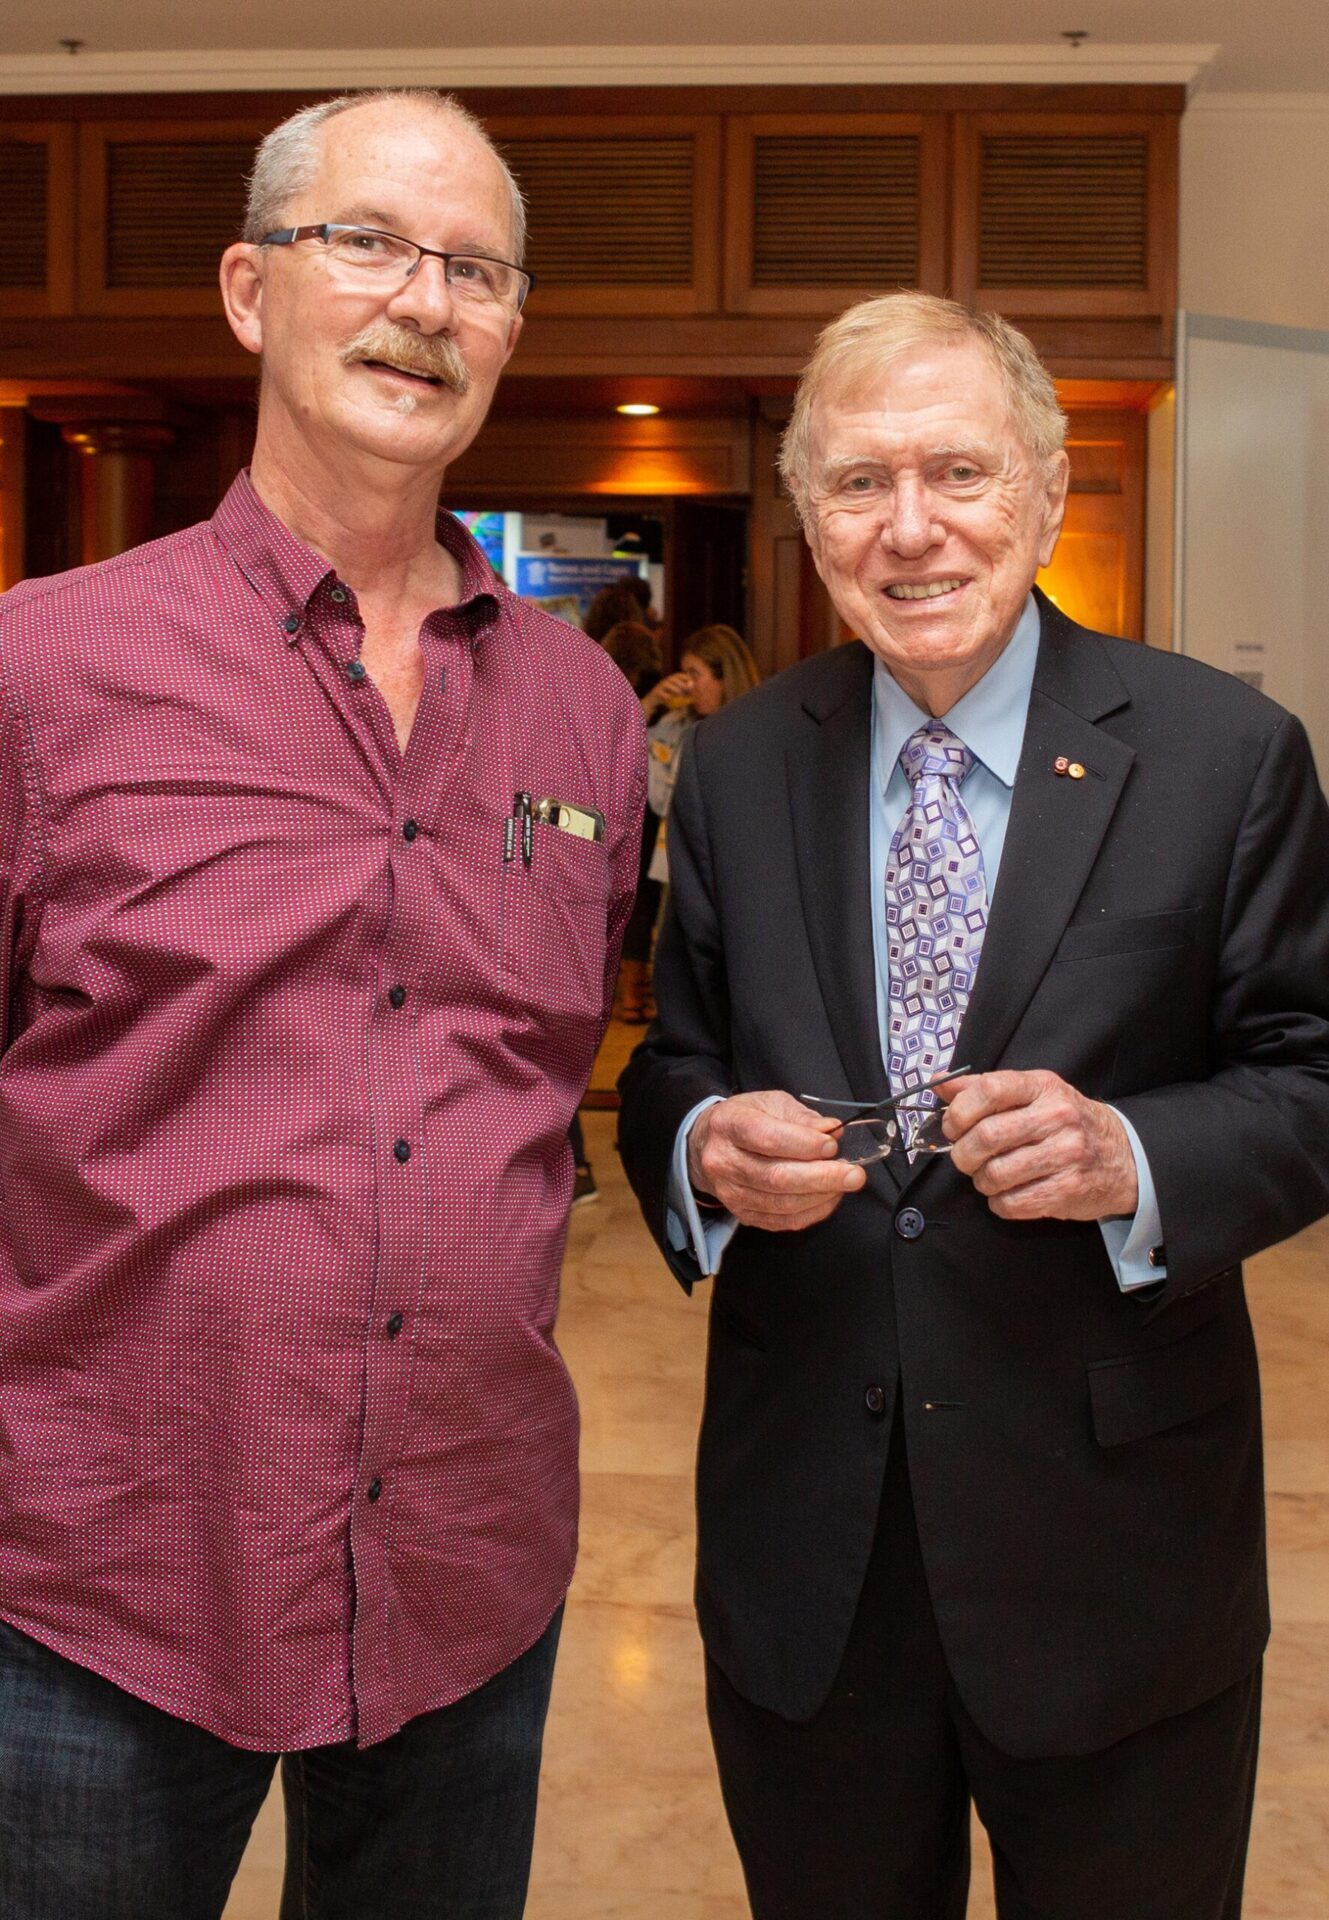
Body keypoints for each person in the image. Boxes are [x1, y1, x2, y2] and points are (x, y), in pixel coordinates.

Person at [0, 88, 645, 1920]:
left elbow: (545, 1093)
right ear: (247, 290)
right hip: (103, 1587)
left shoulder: (587, 717)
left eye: (475, 271)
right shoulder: (44, 671)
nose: (422, 301)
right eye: (365, 243)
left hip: (465, 1574)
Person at [617, 291, 1329, 1920]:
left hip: (1115, 1555)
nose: (910, 526)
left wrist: (1129, 1154)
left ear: (1047, 490)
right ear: (809, 519)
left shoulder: (1222, 757)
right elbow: (671, 1061)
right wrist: (700, 1147)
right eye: (859, 482)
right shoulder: (737, 768)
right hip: (807, 1546)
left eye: (957, 471)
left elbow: (1307, 1074)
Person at [639, 623, 760, 895]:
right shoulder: (680, 725)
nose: (688, 685)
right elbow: (627, 747)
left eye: (694, 674)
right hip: (678, 868)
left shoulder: (752, 729)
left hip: (731, 870)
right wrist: (651, 702)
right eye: (685, 674)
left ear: (724, 677)